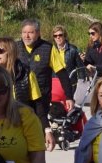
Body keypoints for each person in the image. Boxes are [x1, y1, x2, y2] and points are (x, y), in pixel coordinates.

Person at [17, 19, 75, 150]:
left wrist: (69, 96)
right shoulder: (15, 48)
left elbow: (62, 73)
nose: (26, 36)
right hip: (20, 98)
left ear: (38, 33)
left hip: (41, 99)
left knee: (37, 134)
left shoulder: (47, 48)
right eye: (24, 32)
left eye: (30, 33)